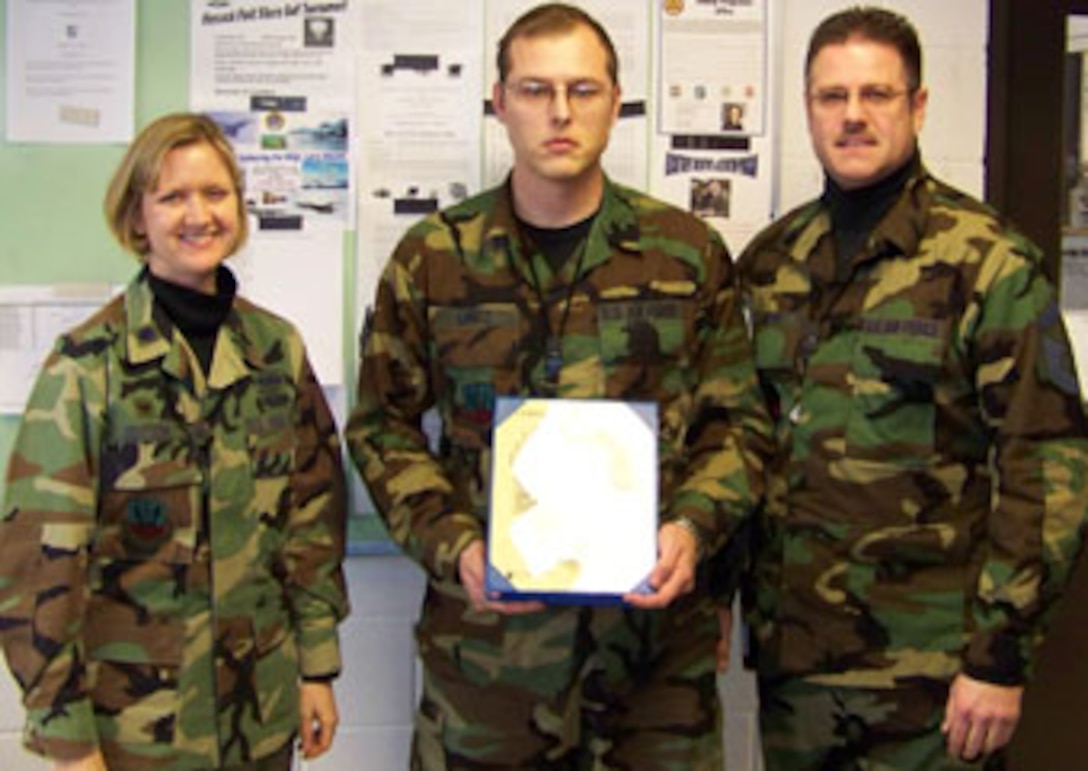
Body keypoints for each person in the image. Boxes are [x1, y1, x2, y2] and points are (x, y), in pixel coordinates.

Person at [346, 3, 769, 768]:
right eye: (536, 90)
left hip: (651, 666)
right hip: (489, 665)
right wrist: (455, 544)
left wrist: (693, 528)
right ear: (500, 103)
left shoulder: (685, 254)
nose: (561, 112)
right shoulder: (435, 258)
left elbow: (738, 425)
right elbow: (383, 427)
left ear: (615, 101)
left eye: (584, 88)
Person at [738, 7, 1088, 770]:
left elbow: (1048, 468)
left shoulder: (987, 262)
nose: (853, 115)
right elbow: (738, 440)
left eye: (877, 94)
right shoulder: (772, 263)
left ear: (917, 106)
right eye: (832, 96)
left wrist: (1000, 656)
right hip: (797, 664)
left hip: (932, 678)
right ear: (808, 109)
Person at [0, 113, 350, 770]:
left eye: (215, 193)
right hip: (136, 732)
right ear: (138, 218)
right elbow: (37, 571)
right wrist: (69, 741)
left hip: (258, 716)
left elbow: (310, 522)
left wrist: (316, 667)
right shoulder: (87, 365)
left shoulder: (276, 351)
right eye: (173, 196)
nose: (199, 214)